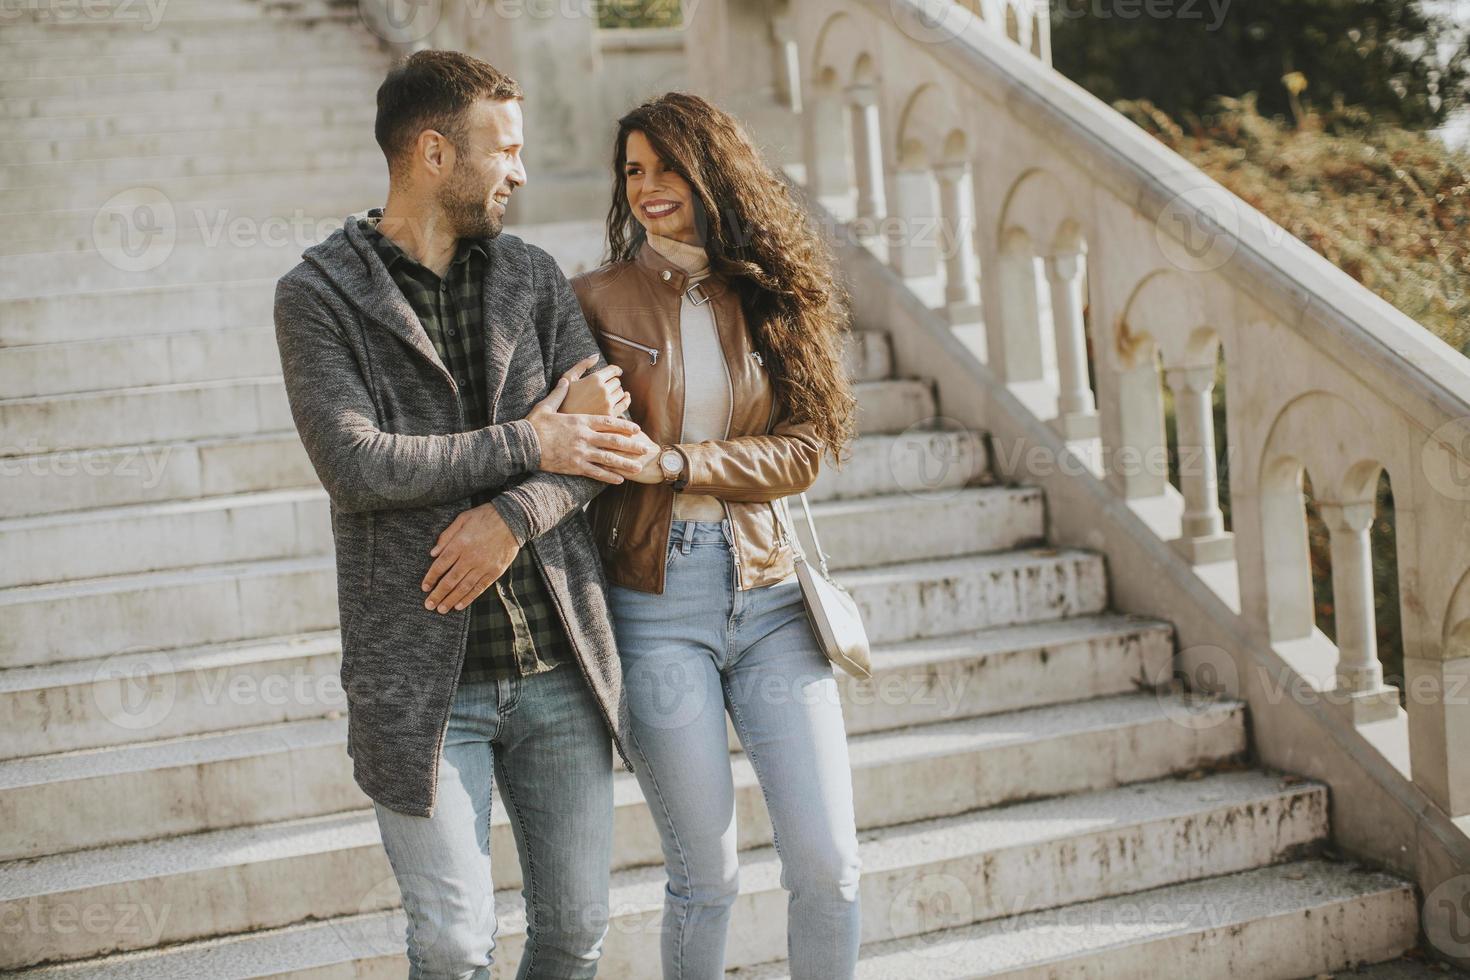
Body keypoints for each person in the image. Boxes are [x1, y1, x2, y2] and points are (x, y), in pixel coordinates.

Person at [272, 50, 657, 980]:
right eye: (506, 150)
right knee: (453, 945)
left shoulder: (531, 276)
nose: (522, 171)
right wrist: (533, 441)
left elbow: (600, 445)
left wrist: (511, 519)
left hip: (560, 662)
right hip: (424, 684)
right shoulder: (318, 296)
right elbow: (359, 465)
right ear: (435, 153)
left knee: (574, 934)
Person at [568, 92, 863, 980]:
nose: (650, 187)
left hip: (770, 597)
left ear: (712, 169)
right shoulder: (593, 300)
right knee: (708, 877)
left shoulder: (773, 294)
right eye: (634, 171)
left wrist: (677, 464)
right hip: (654, 606)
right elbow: (571, 445)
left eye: (668, 166)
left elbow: (806, 448)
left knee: (830, 868)